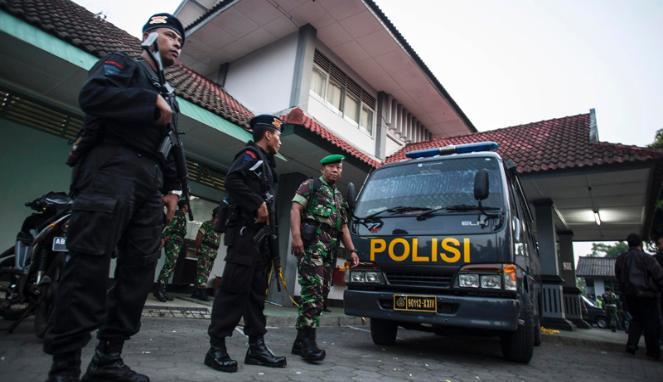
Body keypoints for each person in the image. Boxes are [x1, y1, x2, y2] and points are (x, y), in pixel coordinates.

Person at [43, 13, 186, 382]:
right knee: (88, 266)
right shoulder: (122, 64)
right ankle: (65, 365)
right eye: (170, 35)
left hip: (149, 184)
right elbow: (92, 96)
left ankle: (108, 358)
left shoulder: (169, 92)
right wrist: (147, 100)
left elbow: (169, 146)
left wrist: (170, 189)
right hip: (111, 169)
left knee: (139, 272)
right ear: (149, 38)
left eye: (180, 39)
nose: (177, 43)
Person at [204, 115, 287, 373]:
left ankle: (256, 347)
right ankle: (216, 347)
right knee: (233, 290)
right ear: (267, 135)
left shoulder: (267, 164)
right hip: (244, 235)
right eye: (278, 135)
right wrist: (256, 203)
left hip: (260, 240)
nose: (280, 141)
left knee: (255, 295)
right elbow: (232, 181)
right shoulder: (250, 156)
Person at [289, 154, 360, 363]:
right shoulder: (310, 186)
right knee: (313, 294)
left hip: (328, 253)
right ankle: (309, 345)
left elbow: (344, 227)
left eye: (339, 167)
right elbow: (295, 209)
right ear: (322, 169)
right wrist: (296, 237)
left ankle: (300, 340)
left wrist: (352, 251)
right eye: (331, 167)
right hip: (312, 249)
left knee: (320, 295)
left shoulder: (338, 197)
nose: (336, 170)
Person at [615, 233, 663, 360]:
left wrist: (623, 291)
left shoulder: (621, 259)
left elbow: (618, 277)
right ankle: (653, 351)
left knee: (636, 319)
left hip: (630, 295)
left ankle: (631, 345)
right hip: (647, 294)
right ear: (640, 244)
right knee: (650, 322)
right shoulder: (646, 258)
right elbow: (658, 274)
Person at [154, 200, 188, 302]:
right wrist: (164, 238)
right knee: (169, 266)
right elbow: (170, 226)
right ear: (185, 206)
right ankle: (159, 290)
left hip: (176, 243)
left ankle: (162, 290)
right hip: (173, 242)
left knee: (170, 266)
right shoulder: (179, 214)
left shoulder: (181, 215)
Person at [191, 208, 221, 301]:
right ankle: (202, 292)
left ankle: (196, 291)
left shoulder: (219, 227)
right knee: (202, 272)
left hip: (213, 253)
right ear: (216, 215)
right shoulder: (207, 224)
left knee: (206, 272)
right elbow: (199, 237)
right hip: (205, 250)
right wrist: (197, 248)